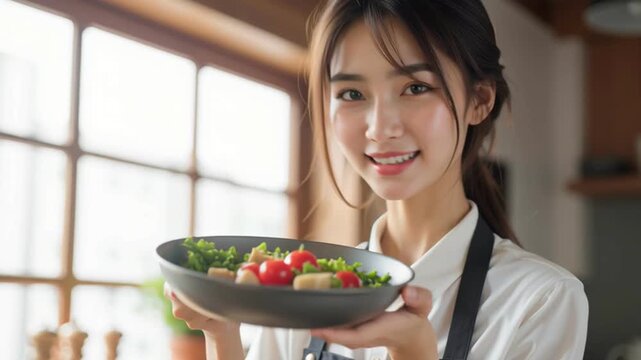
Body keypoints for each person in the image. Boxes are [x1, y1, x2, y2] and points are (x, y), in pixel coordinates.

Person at [165, 0, 589, 359]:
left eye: (415, 87)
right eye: (352, 94)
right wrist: (221, 334)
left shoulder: (540, 300)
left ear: (478, 100)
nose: (379, 128)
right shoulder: (297, 288)